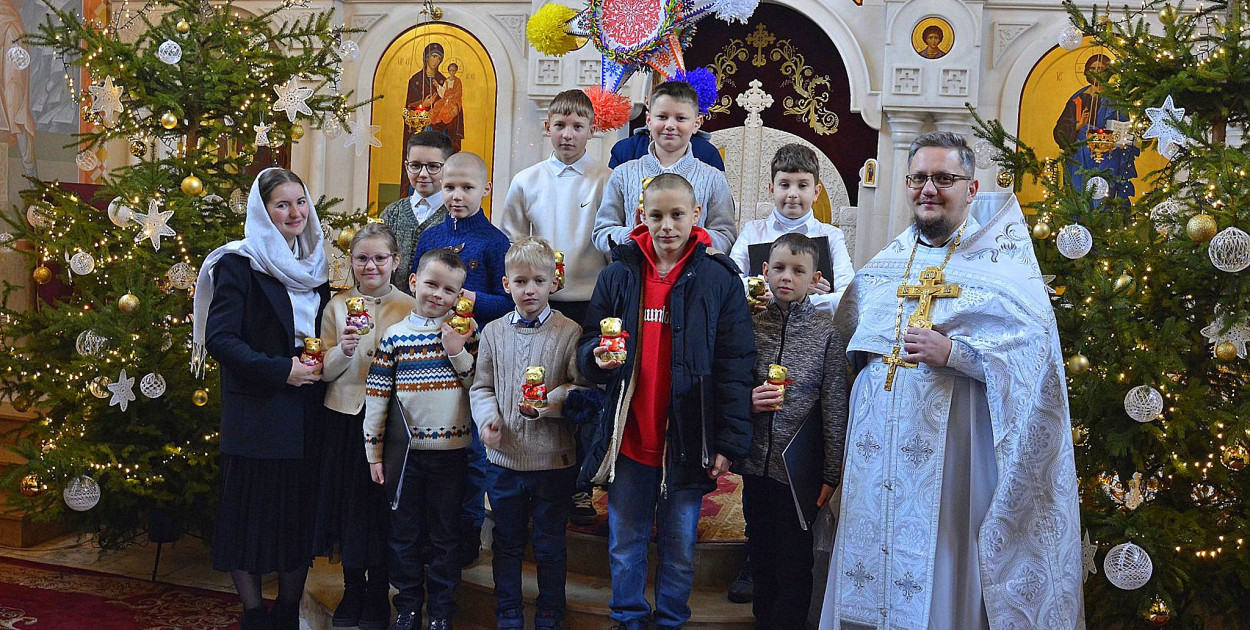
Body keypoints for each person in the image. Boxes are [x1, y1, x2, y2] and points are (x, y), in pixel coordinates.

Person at [818, 132, 1084, 629]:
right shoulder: (886, 266)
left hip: (956, 459)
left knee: (942, 566)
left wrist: (958, 353)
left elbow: (1034, 365)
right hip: (877, 459)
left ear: (971, 187)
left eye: (944, 178)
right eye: (919, 178)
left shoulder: (1003, 271)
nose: (928, 189)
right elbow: (849, 340)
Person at [578, 173, 755, 630]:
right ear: (642, 216)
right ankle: (628, 618)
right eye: (656, 215)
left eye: (678, 215)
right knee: (625, 541)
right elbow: (589, 344)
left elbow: (737, 364)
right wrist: (596, 357)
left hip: (687, 438)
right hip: (631, 440)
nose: (667, 226)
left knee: (679, 548)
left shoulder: (718, 280)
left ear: (696, 216)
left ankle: (672, 620)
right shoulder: (618, 275)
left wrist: (728, 441)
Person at [194, 168, 331, 630]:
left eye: (300, 202)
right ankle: (253, 615)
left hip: (307, 408)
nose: (295, 213)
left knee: (296, 516)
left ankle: (288, 613)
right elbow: (221, 341)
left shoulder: (316, 264)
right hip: (258, 408)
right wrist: (281, 371)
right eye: (282, 205)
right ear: (263, 211)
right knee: (249, 519)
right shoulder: (239, 263)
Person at [469, 236, 588, 630]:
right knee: (506, 541)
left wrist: (549, 403)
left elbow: (579, 386)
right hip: (504, 461)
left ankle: (552, 612)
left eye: (538, 280)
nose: (529, 289)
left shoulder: (570, 331)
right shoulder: (493, 333)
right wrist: (489, 419)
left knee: (551, 544)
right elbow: (482, 385)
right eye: (520, 281)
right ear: (506, 285)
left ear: (554, 281)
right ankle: (508, 611)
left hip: (553, 460)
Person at [737, 232, 848, 630]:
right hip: (755, 466)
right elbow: (732, 386)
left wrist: (831, 473)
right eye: (780, 268)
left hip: (798, 473)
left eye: (798, 271)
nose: (787, 277)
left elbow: (835, 406)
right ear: (765, 272)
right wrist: (748, 400)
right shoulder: (749, 325)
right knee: (761, 551)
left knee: (794, 562)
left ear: (814, 278)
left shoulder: (825, 334)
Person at [363, 248, 478, 630]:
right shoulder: (394, 338)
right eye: (431, 284)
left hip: (450, 454)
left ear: (458, 296)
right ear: (413, 281)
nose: (437, 294)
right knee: (404, 535)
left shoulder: (465, 333)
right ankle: (408, 608)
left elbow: (477, 385)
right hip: (405, 458)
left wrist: (457, 352)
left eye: (448, 290)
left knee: (446, 536)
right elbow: (377, 397)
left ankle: (442, 612)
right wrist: (373, 453)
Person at [412, 151, 513, 566]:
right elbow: (416, 292)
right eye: (449, 186)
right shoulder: (430, 237)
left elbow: (508, 303)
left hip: (475, 357)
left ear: (485, 190)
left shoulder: (494, 241)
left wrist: (469, 296)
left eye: (467, 188)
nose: (456, 195)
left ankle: (468, 528)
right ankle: (428, 528)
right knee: (430, 443)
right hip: (429, 354)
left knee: (471, 449)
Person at [314, 223, 416, 629]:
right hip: (344, 416)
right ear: (351, 263)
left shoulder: (410, 306)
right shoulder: (337, 307)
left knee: (381, 508)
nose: (370, 265)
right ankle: (352, 587)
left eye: (379, 258)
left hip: (389, 421)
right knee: (349, 505)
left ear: (394, 261)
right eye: (362, 258)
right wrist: (344, 349)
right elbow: (323, 371)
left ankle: (379, 591)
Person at [497, 88, 612, 328]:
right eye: (560, 125)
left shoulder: (607, 180)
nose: (567, 135)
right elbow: (513, 241)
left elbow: (612, 246)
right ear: (548, 127)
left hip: (593, 299)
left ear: (592, 130)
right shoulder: (525, 180)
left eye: (577, 127)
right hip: (539, 299)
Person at [593, 80, 738, 255]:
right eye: (662, 117)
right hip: (635, 275)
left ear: (697, 123)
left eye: (681, 118)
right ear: (648, 120)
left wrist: (686, 236)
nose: (670, 125)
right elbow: (601, 232)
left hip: (694, 277)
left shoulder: (713, 179)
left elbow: (726, 237)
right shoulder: (623, 174)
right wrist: (635, 234)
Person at [729, 143, 855, 318]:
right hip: (760, 326)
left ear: (816, 192)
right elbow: (731, 282)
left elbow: (847, 297)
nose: (793, 194)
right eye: (784, 185)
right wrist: (781, 291)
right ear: (772, 189)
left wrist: (802, 300)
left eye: (803, 186)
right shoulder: (753, 232)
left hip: (811, 331)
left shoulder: (831, 236)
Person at [1053, 53, 1139, 200]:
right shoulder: (1077, 100)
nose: (1097, 72)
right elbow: (1060, 131)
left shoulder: (1116, 99)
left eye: (1101, 69)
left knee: (1105, 196)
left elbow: (1125, 126)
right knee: (1080, 195)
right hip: (1080, 156)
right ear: (1086, 72)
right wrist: (1078, 126)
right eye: (1093, 68)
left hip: (1108, 155)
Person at [380, 130, 454, 291]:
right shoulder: (392, 213)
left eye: (433, 166)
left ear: (447, 168)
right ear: (407, 166)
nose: (423, 174)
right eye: (416, 166)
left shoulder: (454, 216)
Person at [405, 42, 463, 152]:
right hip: (422, 130)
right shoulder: (416, 80)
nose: (436, 61)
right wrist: (422, 104)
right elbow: (407, 108)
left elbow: (453, 98)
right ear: (426, 57)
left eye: (439, 58)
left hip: (441, 129)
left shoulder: (444, 80)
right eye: (434, 56)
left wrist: (456, 108)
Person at [429, 62, 463, 129]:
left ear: (456, 71)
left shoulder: (458, 81)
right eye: (450, 70)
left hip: (453, 101)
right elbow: (443, 91)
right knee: (436, 107)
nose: (452, 72)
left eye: (453, 70)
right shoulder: (447, 81)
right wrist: (437, 85)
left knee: (445, 112)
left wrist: (452, 97)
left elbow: (459, 92)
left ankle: (443, 127)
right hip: (445, 99)